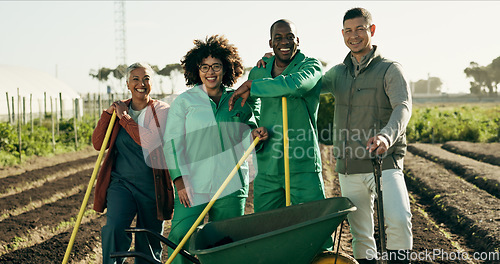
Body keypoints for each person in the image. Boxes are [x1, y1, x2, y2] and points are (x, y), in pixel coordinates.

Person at [228, 19, 332, 251]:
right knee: (265, 229)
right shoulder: (260, 69)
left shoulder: (311, 66)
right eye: (278, 38)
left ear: (298, 40)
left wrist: (254, 85)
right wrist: (254, 127)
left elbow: (294, 85)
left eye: (289, 37)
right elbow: (250, 107)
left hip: (301, 161)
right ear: (271, 42)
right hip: (268, 165)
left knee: (314, 226)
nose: (284, 42)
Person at [163, 35, 268, 264]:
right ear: (196, 70)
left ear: (226, 68)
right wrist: (179, 181)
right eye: (205, 67)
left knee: (226, 242)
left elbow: (249, 132)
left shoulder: (238, 100)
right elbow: (172, 143)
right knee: (181, 236)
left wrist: (254, 134)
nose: (210, 72)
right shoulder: (185, 102)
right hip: (193, 185)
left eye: (216, 66)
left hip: (230, 183)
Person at [321, 7, 413, 264]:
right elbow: (309, 83)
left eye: (360, 29)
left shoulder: (390, 69)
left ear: (371, 30)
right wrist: (273, 64)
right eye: (348, 31)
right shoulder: (337, 73)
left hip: (384, 163)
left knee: (398, 219)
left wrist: (386, 136)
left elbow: (403, 108)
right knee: (360, 233)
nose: (354, 35)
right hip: (349, 167)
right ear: (342, 34)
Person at [92, 62, 174, 264]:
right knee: (114, 228)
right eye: (135, 79)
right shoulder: (119, 110)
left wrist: (124, 117)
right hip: (122, 184)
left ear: (151, 83)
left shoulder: (162, 110)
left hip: (152, 186)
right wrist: (108, 115)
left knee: (149, 239)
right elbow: (98, 143)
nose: (141, 83)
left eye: (146, 78)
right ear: (128, 84)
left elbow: (149, 141)